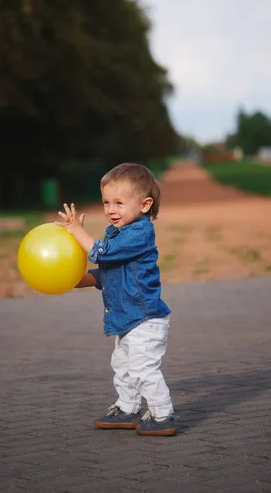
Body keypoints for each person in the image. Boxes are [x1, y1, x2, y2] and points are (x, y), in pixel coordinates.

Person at [55, 163, 176, 436]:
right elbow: (107, 273)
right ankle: (127, 408)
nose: (111, 209)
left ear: (144, 205)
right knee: (122, 366)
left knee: (144, 369)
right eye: (106, 202)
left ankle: (162, 414)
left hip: (145, 319)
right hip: (126, 319)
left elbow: (103, 253)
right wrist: (77, 278)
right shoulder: (116, 233)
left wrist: (78, 232)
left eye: (119, 203)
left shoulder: (140, 233)